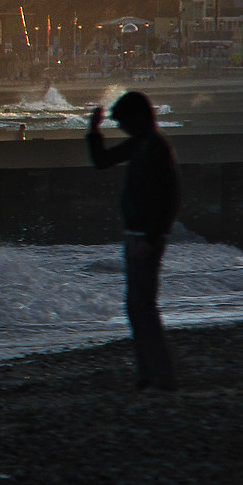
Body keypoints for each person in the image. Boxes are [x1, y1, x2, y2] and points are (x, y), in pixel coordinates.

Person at [88, 91, 180, 391]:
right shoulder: (143, 143)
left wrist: (152, 238)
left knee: (142, 307)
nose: (122, 128)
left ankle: (160, 378)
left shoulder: (155, 147)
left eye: (124, 122)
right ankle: (148, 375)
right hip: (137, 236)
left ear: (138, 118)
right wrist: (93, 131)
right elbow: (103, 160)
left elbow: (169, 197)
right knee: (137, 307)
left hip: (145, 239)